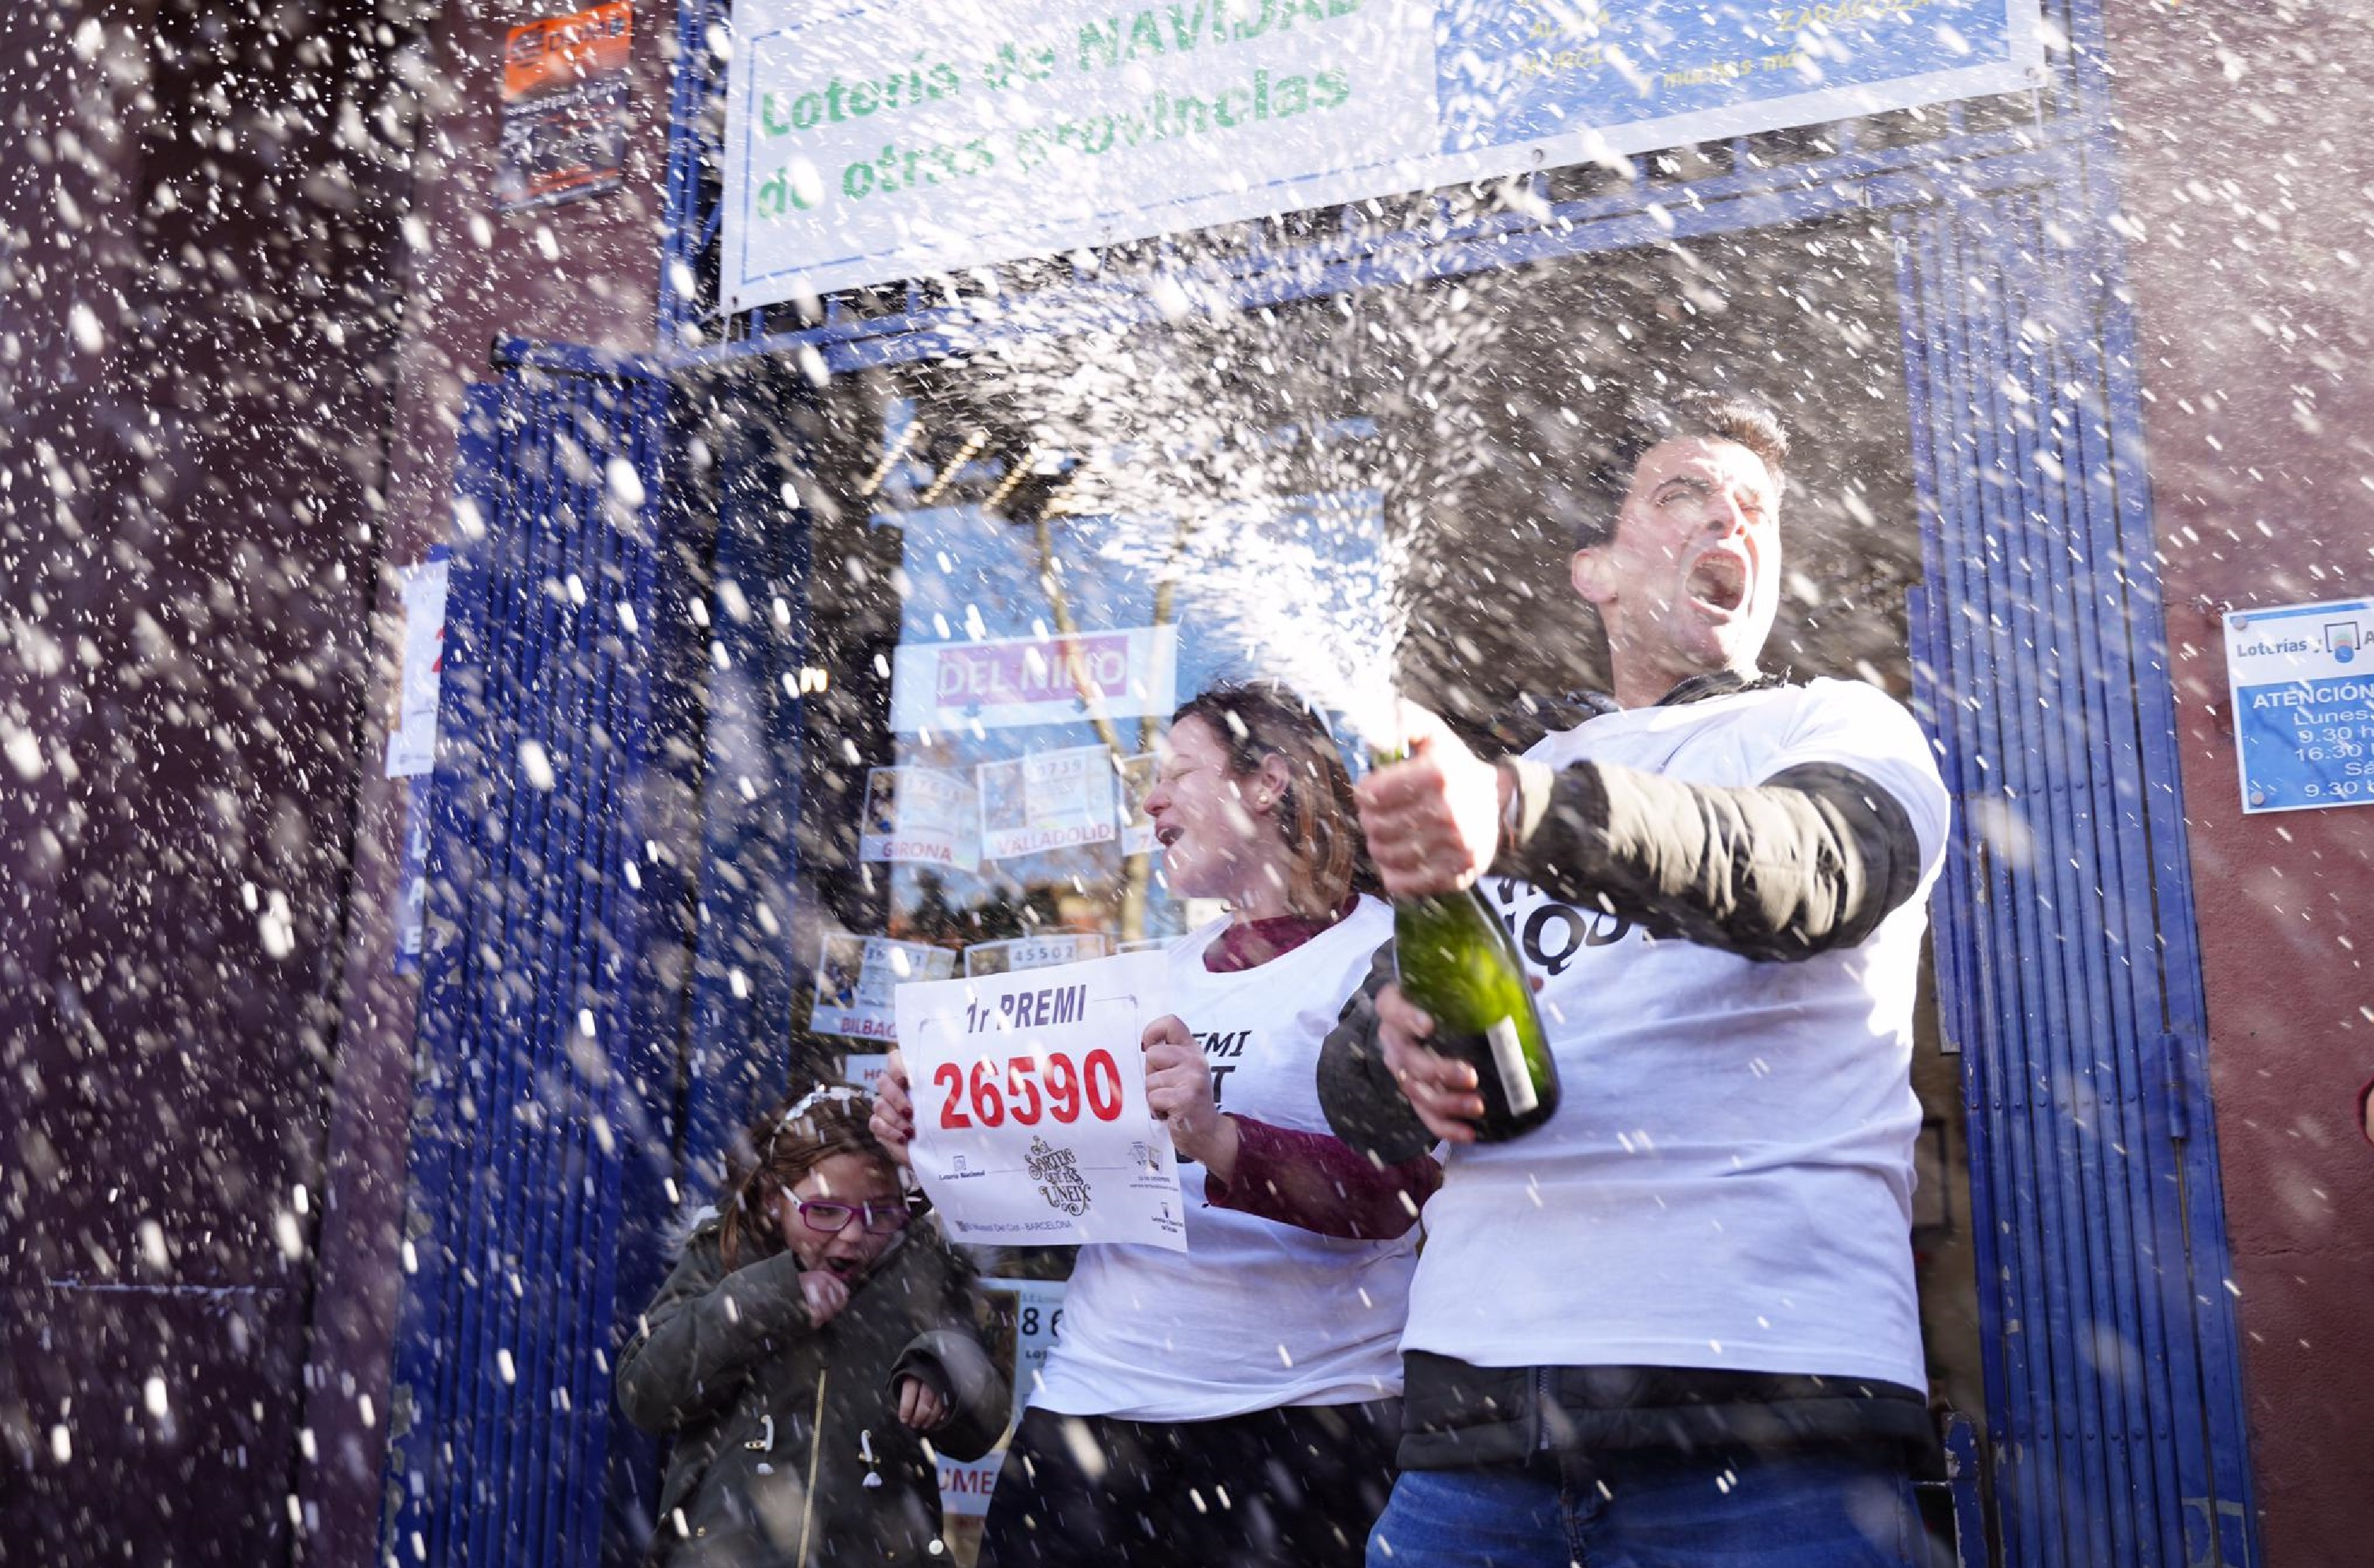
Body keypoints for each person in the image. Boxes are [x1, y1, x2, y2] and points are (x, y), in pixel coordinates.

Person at [1320, 392, 1954, 1568]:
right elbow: (1353, 1085)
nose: (1733, 518)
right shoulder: (1511, 778)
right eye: (1685, 494)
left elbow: (1807, 871)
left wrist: (1520, 813)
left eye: (1757, 508)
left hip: (1771, 1426)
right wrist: (1388, 1044)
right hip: (1475, 1440)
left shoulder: (1841, 725)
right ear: (1595, 573)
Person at [871, 682, 1439, 1568]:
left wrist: (1221, 1139)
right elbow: (1048, 1185)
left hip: (1299, 1424)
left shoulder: (1384, 954)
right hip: (1094, 1413)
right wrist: (934, 1133)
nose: (1151, 800)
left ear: (1267, 784)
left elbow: (1401, 1196)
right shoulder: (1148, 977)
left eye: (1177, 773)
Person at [615, 1085, 1009, 1567]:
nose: (853, 1236)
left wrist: (944, 1371)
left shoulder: (922, 1272)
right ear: (773, 1200)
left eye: (881, 1213)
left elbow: (983, 1423)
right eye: (824, 1211)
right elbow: (646, 1393)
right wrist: (764, 1298)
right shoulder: (726, 1258)